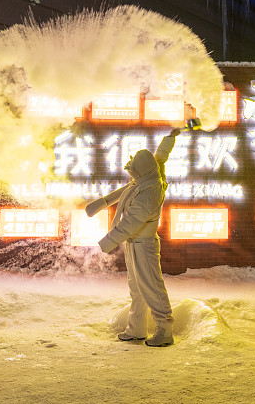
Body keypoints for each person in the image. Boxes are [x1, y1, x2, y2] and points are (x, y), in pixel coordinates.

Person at [85, 128, 180, 347]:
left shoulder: (151, 192)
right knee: (137, 290)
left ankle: (164, 331)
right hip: (133, 245)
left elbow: (130, 223)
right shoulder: (145, 178)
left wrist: (108, 242)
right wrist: (170, 138)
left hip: (144, 246)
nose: (131, 176)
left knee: (151, 288)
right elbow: (160, 157)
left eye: (133, 171)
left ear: (143, 171)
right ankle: (136, 329)